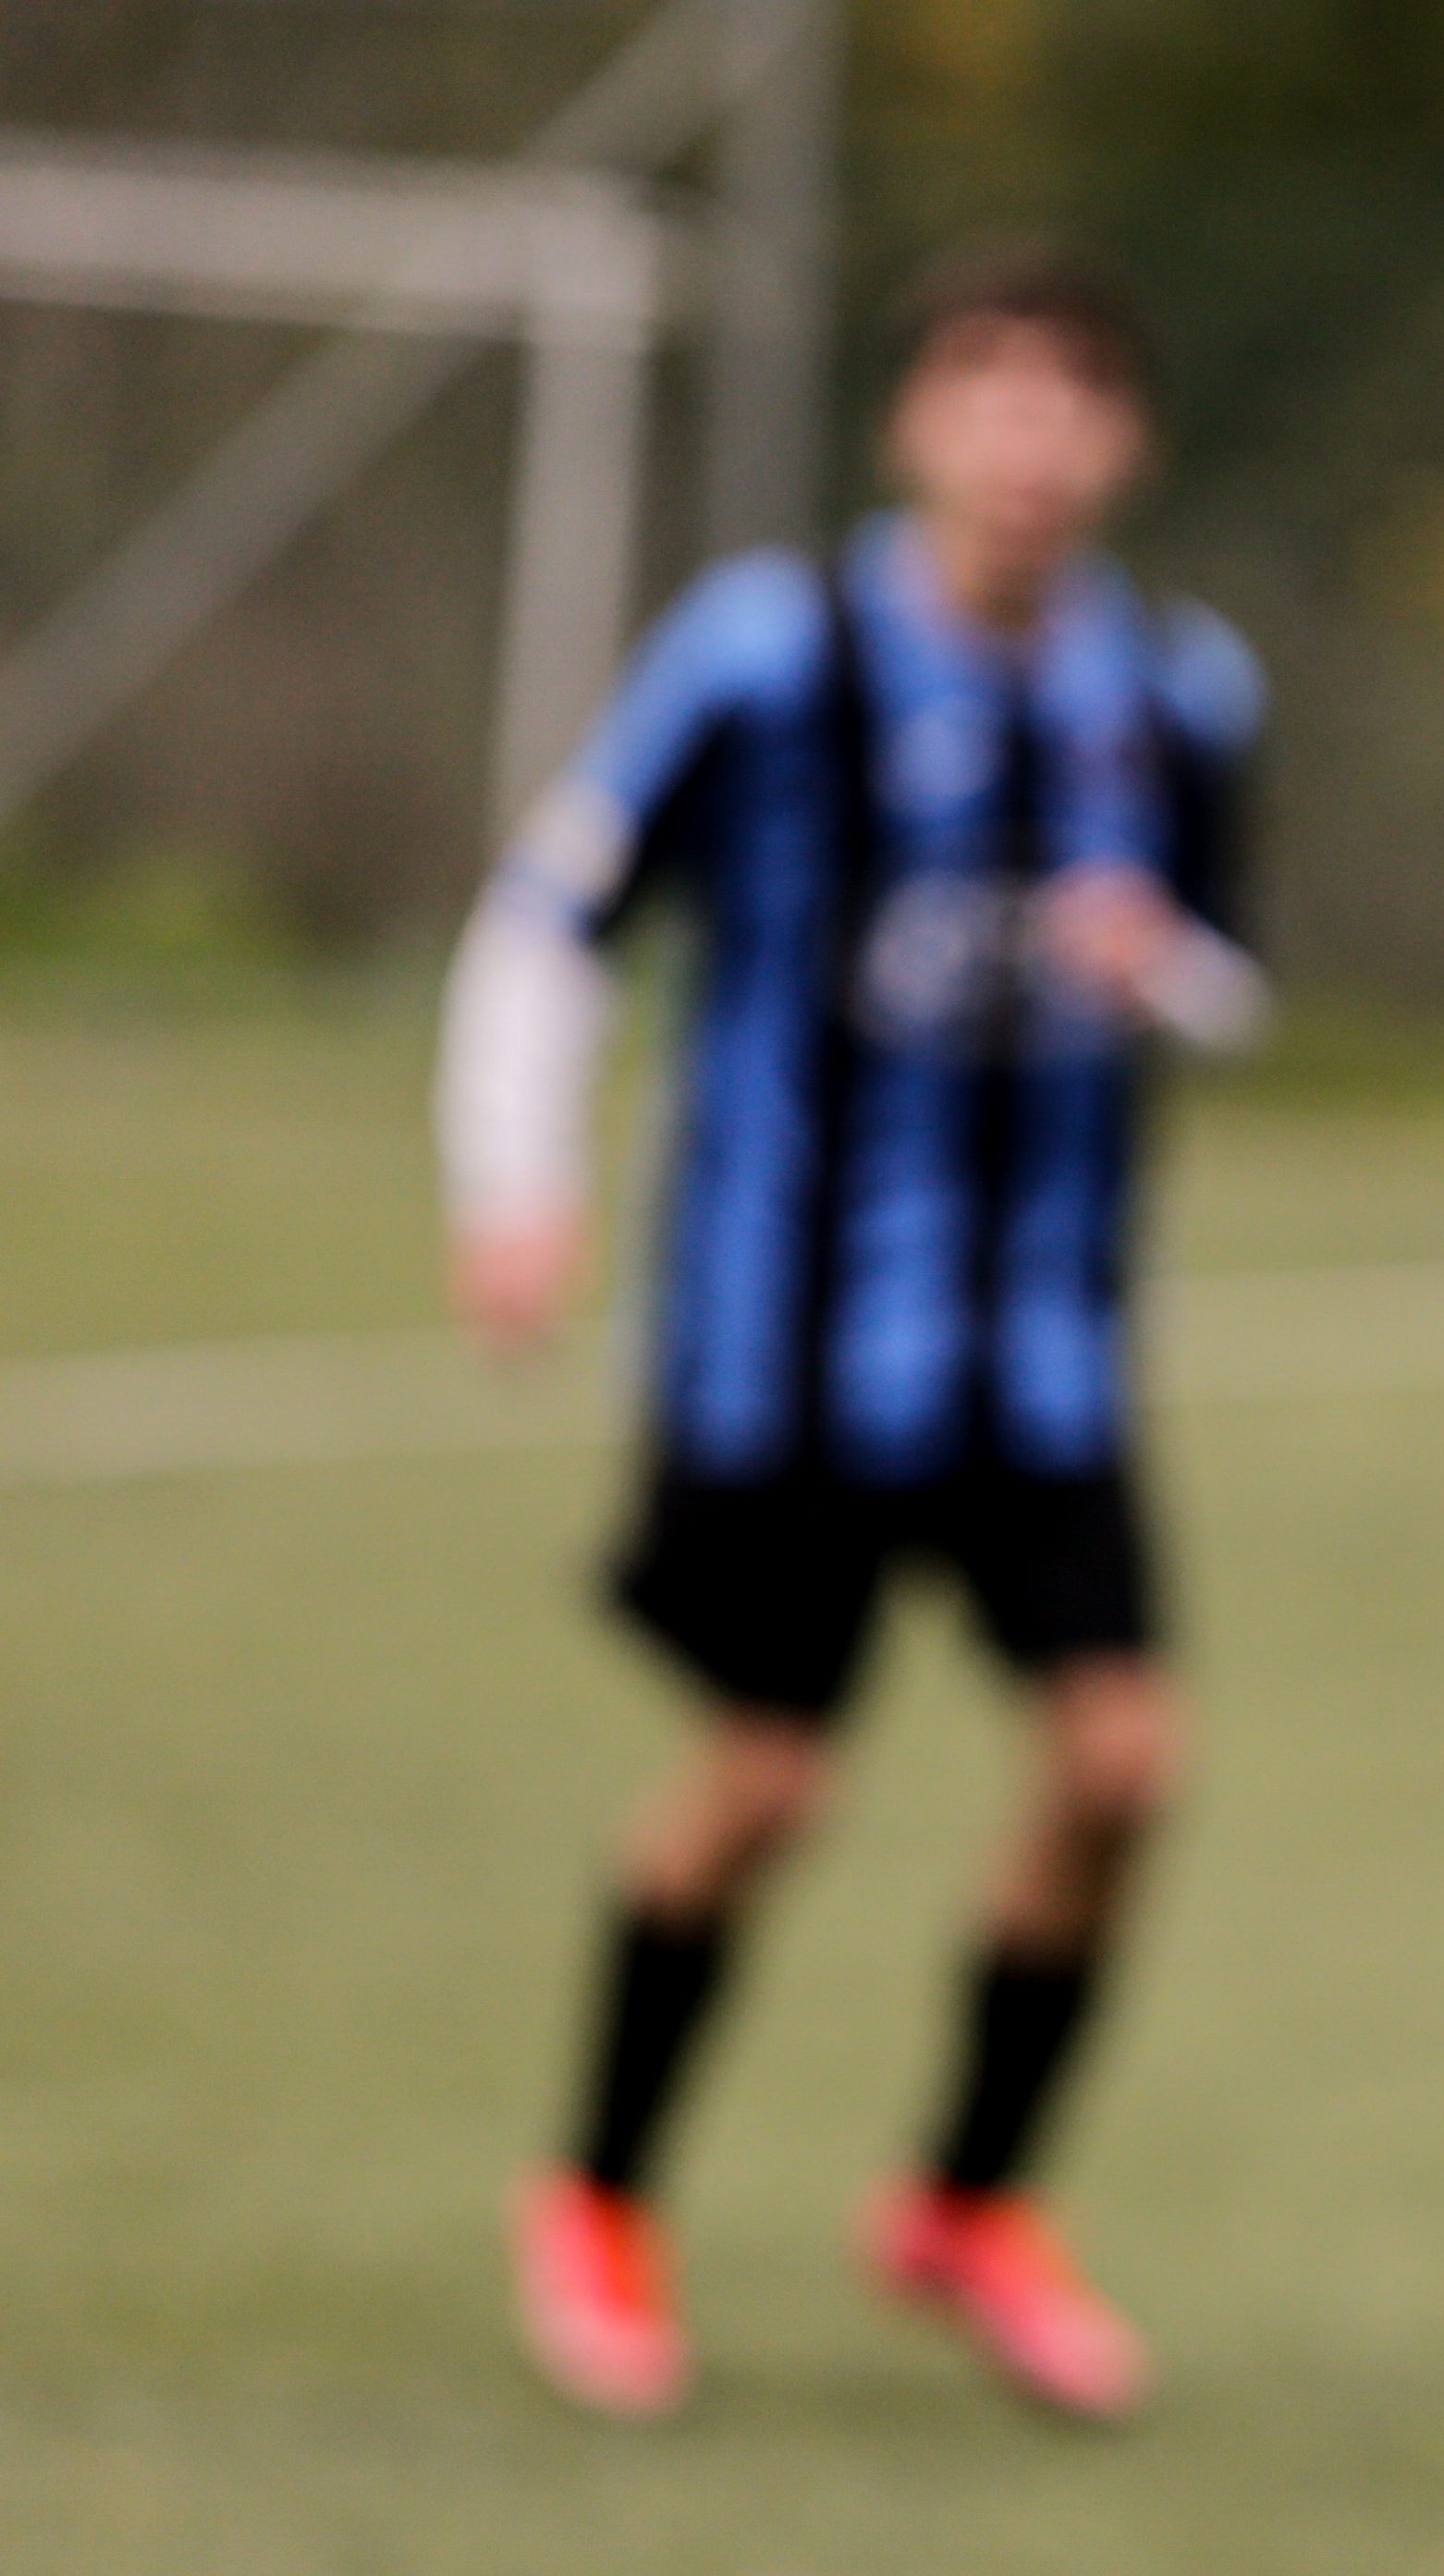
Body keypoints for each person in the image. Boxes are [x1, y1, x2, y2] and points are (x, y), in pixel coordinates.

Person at [440, 239, 1267, 2424]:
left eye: (1072, 390)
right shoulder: (768, 653)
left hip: (1042, 1364)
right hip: (774, 1352)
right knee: (768, 1784)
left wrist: (1151, 963)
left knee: (1119, 1763)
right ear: (913, 424)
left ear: (1125, 440)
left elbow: (1229, 974)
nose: (1027, 432)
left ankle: (965, 2203)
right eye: (984, 384)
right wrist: (514, 1186)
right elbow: (551, 919)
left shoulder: (1176, 694)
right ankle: (600, 2197)